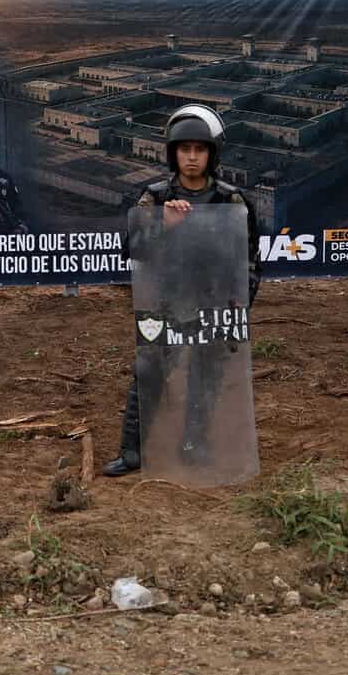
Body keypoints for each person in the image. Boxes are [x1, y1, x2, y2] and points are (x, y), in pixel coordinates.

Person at [102, 104, 261, 477]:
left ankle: (194, 444)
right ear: (173, 153)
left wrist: (241, 303)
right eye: (184, 149)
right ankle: (132, 451)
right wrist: (165, 226)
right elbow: (134, 249)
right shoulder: (155, 197)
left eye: (200, 149)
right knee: (150, 373)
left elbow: (250, 258)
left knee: (206, 377)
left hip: (214, 301)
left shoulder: (230, 199)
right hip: (166, 300)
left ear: (212, 154)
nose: (192, 157)